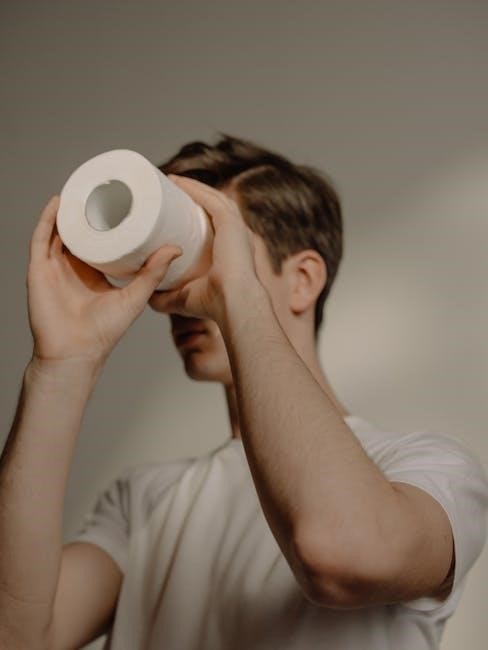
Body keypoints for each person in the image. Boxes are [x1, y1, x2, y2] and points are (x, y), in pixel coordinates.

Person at [1, 135, 487, 650]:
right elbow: (15, 636)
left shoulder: (429, 470)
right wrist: (60, 366)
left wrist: (238, 295)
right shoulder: (145, 502)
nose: (183, 293)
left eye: (215, 248)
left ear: (303, 279)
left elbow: (340, 554)